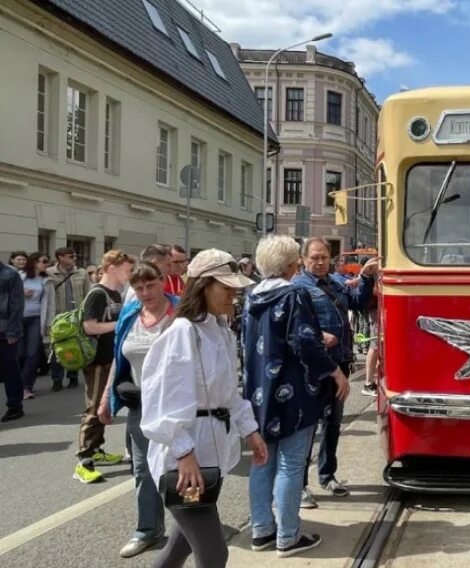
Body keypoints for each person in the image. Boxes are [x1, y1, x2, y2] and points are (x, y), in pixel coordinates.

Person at [140, 249, 267, 568]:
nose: (234, 295)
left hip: (208, 457)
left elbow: (227, 394)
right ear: (203, 286)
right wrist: (183, 453)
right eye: (227, 288)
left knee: (178, 548)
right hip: (185, 464)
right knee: (213, 553)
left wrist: (249, 430)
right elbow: (162, 401)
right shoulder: (184, 332)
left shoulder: (219, 330)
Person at [244, 236, 350, 557]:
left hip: (260, 392)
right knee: (291, 464)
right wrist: (335, 371)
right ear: (292, 264)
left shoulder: (252, 296)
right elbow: (305, 342)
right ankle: (288, 536)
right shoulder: (295, 294)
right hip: (293, 393)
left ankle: (261, 529)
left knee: (262, 462)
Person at [95, 262, 177, 557]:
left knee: (180, 470)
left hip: (175, 405)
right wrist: (106, 399)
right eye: (138, 287)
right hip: (140, 405)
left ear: (162, 281)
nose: (145, 292)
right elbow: (120, 360)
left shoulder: (179, 313)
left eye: (150, 285)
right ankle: (149, 531)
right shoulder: (131, 315)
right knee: (143, 470)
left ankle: (195, 529)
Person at [291, 237, 378, 503]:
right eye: (314, 258)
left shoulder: (335, 282)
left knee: (332, 423)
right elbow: (297, 329)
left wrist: (365, 277)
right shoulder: (298, 287)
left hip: (339, 362)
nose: (319, 262)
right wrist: (318, 337)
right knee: (306, 428)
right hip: (313, 367)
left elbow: (356, 302)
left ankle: (327, 476)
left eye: (324, 257)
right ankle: (300, 485)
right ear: (303, 260)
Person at [74, 250, 134, 484]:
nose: (129, 275)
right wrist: (121, 323)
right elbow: (90, 327)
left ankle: (96, 450)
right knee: (93, 409)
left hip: (110, 356)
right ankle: (83, 461)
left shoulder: (116, 293)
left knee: (103, 405)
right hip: (97, 359)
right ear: (112, 269)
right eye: (127, 270)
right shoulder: (97, 294)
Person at [45, 246, 90, 391]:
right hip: (58, 317)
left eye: (75, 256)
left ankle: (73, 377)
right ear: (60, 257)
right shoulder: (49, 273)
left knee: (74, 346)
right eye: (71, 256)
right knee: (56, 348)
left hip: (75, 317)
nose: (74, 258)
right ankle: (56, 379)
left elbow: (88, 295)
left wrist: (86, 314)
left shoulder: (82, 273)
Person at [19, 252, 50, 400]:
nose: (46, 264)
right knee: (20, 353)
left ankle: (26, 387)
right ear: (34, 262)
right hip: (18, 318)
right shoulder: (20, 276)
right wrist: (21, 293)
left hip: (36, 318)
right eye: (44, 261)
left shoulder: (46, 279)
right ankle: (17, 384)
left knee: (32, 353)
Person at [0, 258, 25, 422]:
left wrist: (12, 331)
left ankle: (15, 405)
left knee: (10, 368)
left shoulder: (10, 274)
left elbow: (17, 304)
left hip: (5, 330)